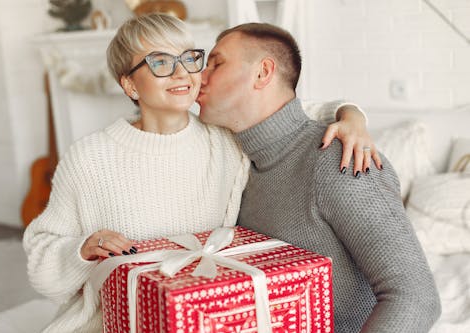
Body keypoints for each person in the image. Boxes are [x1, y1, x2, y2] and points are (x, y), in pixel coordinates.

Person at [23, 14, 374, 333]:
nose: (182, 74)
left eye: (190, 58)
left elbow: (292, 112)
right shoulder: (89, 157)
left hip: (211, 317)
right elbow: (42, 261)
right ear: (129, 85)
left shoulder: (225, 136)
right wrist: (81, 250)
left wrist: (351, 115)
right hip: (114, 321)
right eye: (160, 62)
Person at [196, 22, 441, 333]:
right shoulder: (238, 167)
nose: (200, 76)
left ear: (262, 73)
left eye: (216, 63)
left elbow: (416, 298)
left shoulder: (338, 159)